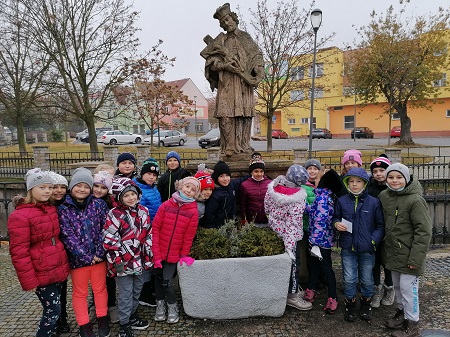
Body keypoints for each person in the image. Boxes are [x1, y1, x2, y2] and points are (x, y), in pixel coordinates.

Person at [8, 168, 70, 337]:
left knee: (55, 308)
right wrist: (29, 280)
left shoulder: (50, 208)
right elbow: (19, 251)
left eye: (49, 187)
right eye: (42, 187)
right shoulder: (20, 216)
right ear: (31, 189)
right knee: (53, 310)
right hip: (40, 270)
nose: (48, 191)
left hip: (57, 266)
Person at [200, 3, 264, 158]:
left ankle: (243, 146)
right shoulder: (220, 40)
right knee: (226, 114)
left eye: (228, 19)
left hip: (243, 83)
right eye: (223, 22)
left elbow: (256, 56)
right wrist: (224, 65)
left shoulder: (245, 37)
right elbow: (210, 62)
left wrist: (258, 70)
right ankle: (229, 146)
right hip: (227, 83)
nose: (226, 23)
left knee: (244, 115)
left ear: (234, 18)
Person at [379, 163, 432, 337]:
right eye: (391, 177)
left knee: (409, 290)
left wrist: (415, 258)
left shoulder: (415, 200)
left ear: (406, 179)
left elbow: (423, 231)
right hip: (393, 253)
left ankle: (413, 324)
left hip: (410, 254)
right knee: (398, 287)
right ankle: (401, 314)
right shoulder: (384, 196)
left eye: (399, 177)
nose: (395, 181)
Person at [57, 167, 110, 337]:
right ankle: (84, 324)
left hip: (99, 258)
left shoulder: (98, 204)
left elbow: (106, 229)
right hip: (78, 260)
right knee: (80, 292)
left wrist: (100, 253)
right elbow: (67, 235)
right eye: (78, 185)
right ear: (72, 187)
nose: (82, 189)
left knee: (100, 290)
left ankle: (103, 318)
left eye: (86, 186)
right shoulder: (64, 208)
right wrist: (86, 256)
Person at [333, 167, 385, 322]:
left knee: (367, 279)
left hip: (367, 249)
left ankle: (366, 303)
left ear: (365, 183)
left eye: (358, 181)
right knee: (349, 278)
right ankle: (350, 304)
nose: (354, 184)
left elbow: (380, 226)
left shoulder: (374, 202)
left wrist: (373, 240)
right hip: (348, 247)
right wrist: (336, 224)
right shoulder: (342, 201)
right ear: (347, 183)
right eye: (351, 181)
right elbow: (335, 217)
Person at [104, 178, 153, 337]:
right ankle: (124, 324)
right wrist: (116, 261)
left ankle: (131, 315)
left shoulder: (143, 211)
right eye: (127, 196)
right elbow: (110, 240)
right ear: (119, 198)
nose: (131, 198)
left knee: (137, 289)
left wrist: (149, 255)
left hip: (139, 260)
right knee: (125, 293)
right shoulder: (114, 215)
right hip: (122, 262)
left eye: (133, 194)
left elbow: (148, 234)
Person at [152, 177, 200, 324]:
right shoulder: (166, 205)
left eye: (193, 190)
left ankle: (172, 306)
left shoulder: (193, 211)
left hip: (174, 254)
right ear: (180, 186)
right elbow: (156, 228)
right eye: (187, 187)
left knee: (167, 281)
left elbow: (188, 236)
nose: (189, 191)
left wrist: (183, 254)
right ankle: (160, 305)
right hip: (159, 250)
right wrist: (156, 253)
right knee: (158, 279)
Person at [264, 164, 312, 311]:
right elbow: (292, 224)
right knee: (293, 264)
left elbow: (266, 208)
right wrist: (289, 247)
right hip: (291, 238)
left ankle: (288, 289)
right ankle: (292, 295)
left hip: (275, 232)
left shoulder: (273, 189)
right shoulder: (297, 199)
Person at [304, 169, 342, 314]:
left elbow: (320, 221)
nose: (315, 180)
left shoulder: (322, 198)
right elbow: (313, 211)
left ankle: (333, 297)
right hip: (323, 240)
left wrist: (314, 242)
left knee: (326, 268)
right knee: (315, 266)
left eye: (318, 178)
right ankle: (311, 290)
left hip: (320, 241)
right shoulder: (326, 196)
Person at [133, 158, 162, 308]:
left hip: (153, 230)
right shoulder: (137, 188)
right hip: (143, 232)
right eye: (149, 174)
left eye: (154, 175)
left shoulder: (153, 188)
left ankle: (149, 290)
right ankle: (143, 294)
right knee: (145, 263)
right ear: (142, 174)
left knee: (150, 261)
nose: (151, 177)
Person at [368, 154, 395, 309]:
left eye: (382, 170)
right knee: (375, 262)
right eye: (375, 171)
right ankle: (376, 290)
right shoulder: (370, 188)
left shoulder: (393, 188)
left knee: (388, 262)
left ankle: (389, 288)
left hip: (390, 231)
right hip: (374, 231)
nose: (378, 174)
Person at [48, 171, 71, 334]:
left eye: (62, 187)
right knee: (51, 290)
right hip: (50, 253)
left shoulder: (68, 203)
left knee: (62, 288)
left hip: (65, 251)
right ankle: (54, 319)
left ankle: (63, 317)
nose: (59, 191)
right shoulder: (46, 206)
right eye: (54, 187)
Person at [201, 160, 247, 229]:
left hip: (231, 223)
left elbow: (240, 180)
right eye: (221, 176)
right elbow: (210, 214)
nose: (225, 179)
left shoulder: (231, 184)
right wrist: (211, 229)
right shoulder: (215, 194)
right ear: (216, 178)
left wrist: (253, 176)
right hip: (218, 226)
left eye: (227, 175)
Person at [239, 153, 271, 227]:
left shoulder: (270, 184)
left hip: (268, 220)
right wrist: (244, 218)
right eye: (256, 171)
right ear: (251, 172)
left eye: (261, 171)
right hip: (252, 221)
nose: (259, 174)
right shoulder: (245, 185)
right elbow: (243, 205)